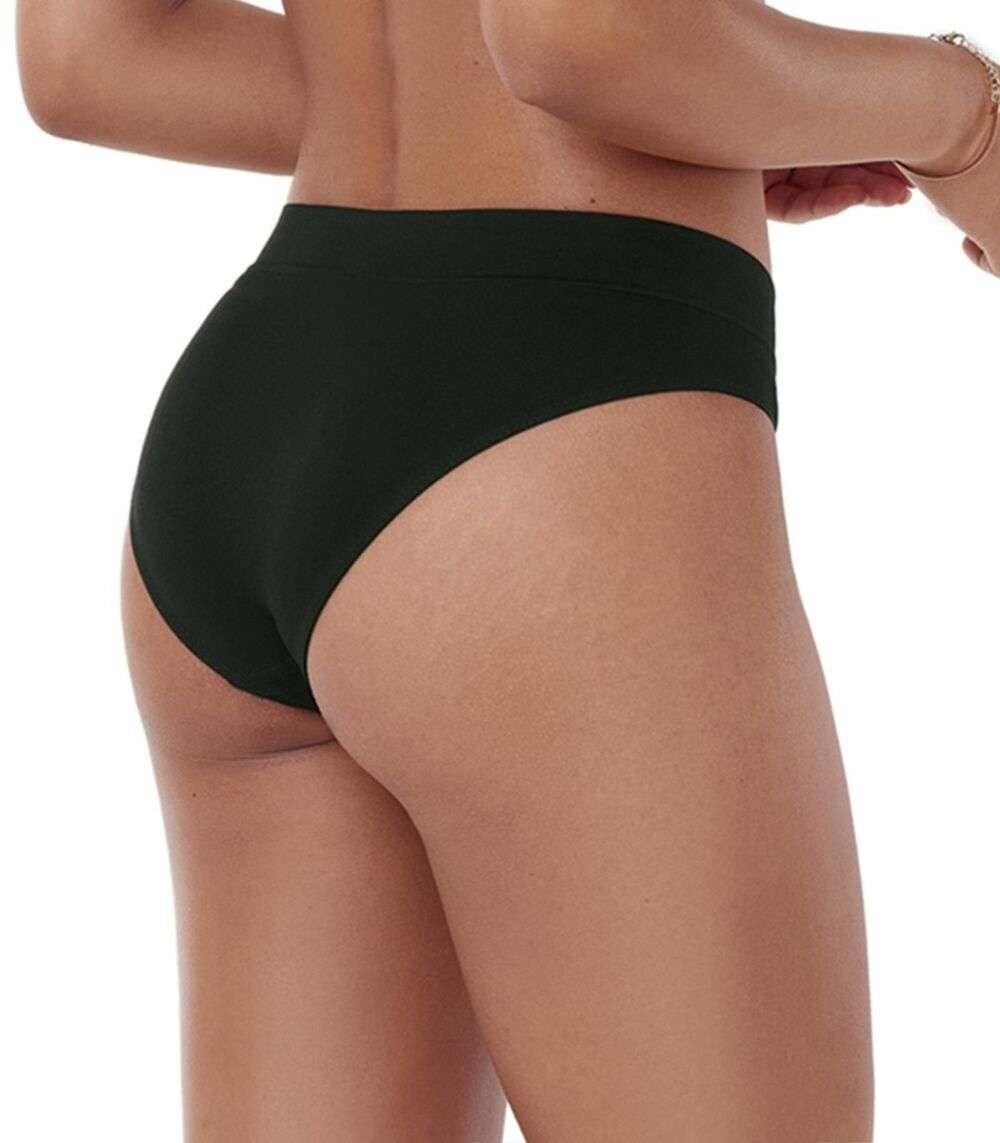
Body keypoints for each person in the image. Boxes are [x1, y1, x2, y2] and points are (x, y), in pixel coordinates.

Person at [16, 1, 999, 1138]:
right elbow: (587, 37)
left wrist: (732, 95)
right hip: (557, 420)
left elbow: (96, 59)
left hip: (259, 400)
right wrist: (961, 116)